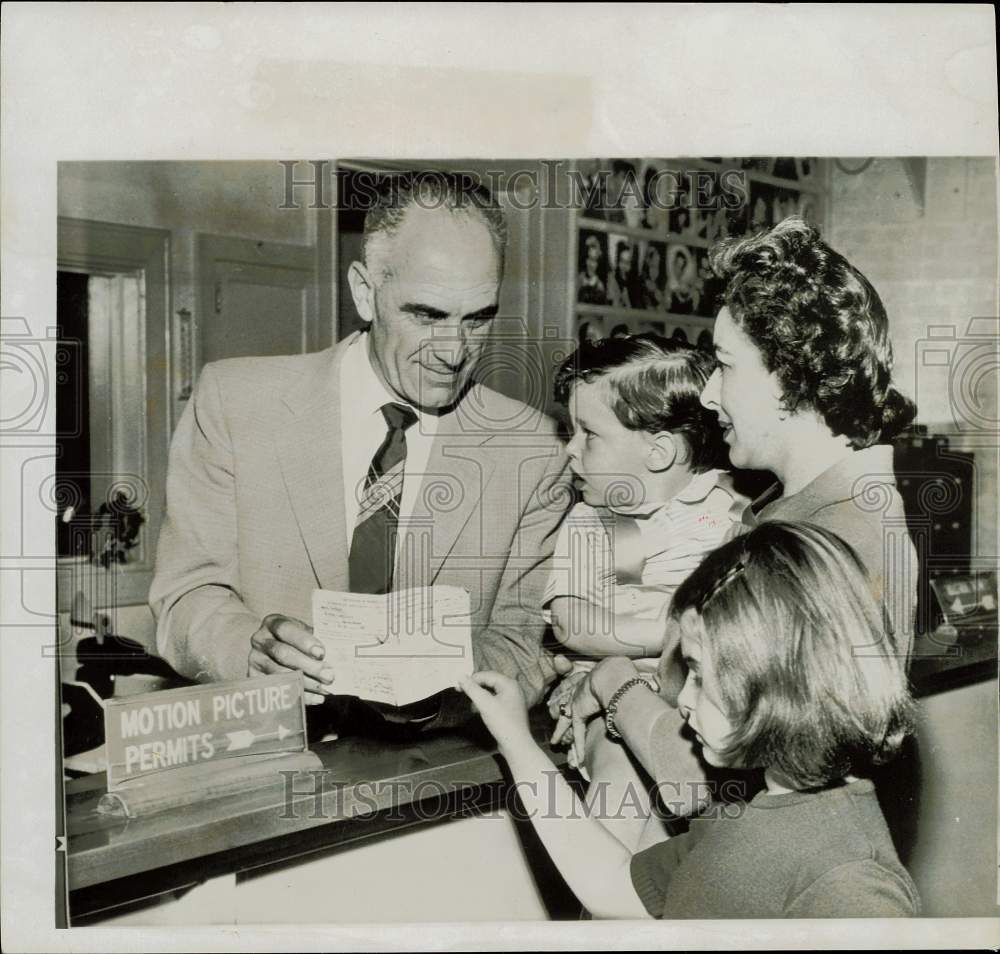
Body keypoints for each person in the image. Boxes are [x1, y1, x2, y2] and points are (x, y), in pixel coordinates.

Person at [149, 172, 572, 731]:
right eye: (426, 315)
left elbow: (525, 644)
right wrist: (248, 650)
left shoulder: (535, 449)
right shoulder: (234, 402)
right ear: (364, 292)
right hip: (266, 753)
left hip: (434, 773)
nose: (453, 352)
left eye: (478, 319)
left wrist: (432, 681)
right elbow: (186, 594)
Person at [556, 215, 919, 815]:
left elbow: (703, 777)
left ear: (787, 376)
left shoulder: (823, 538)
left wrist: (610, 682)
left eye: (725, 365)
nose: (707, 395)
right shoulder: (826, 506)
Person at [460, 522, 920, 919]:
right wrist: (516, 739)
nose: (682, 699)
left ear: (769, 680)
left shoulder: (851, 882)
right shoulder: (747, 814)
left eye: (698, 671)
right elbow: (611, 886)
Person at [542, 334, 743, 846]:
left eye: (589, 434)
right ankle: (603, 910)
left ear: (659, 451)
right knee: (618, 797)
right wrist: (680, 631)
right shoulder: (591, 521)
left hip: (707, 706)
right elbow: (572, 623)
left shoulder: (732, 509)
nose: (569, 448)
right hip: (609, 706)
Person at [607, 240, 636, 309]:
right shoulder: (611, 278)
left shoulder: (634, 282)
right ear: (618, 261)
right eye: (622, 261)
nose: (624, 266)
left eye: (627, 262)